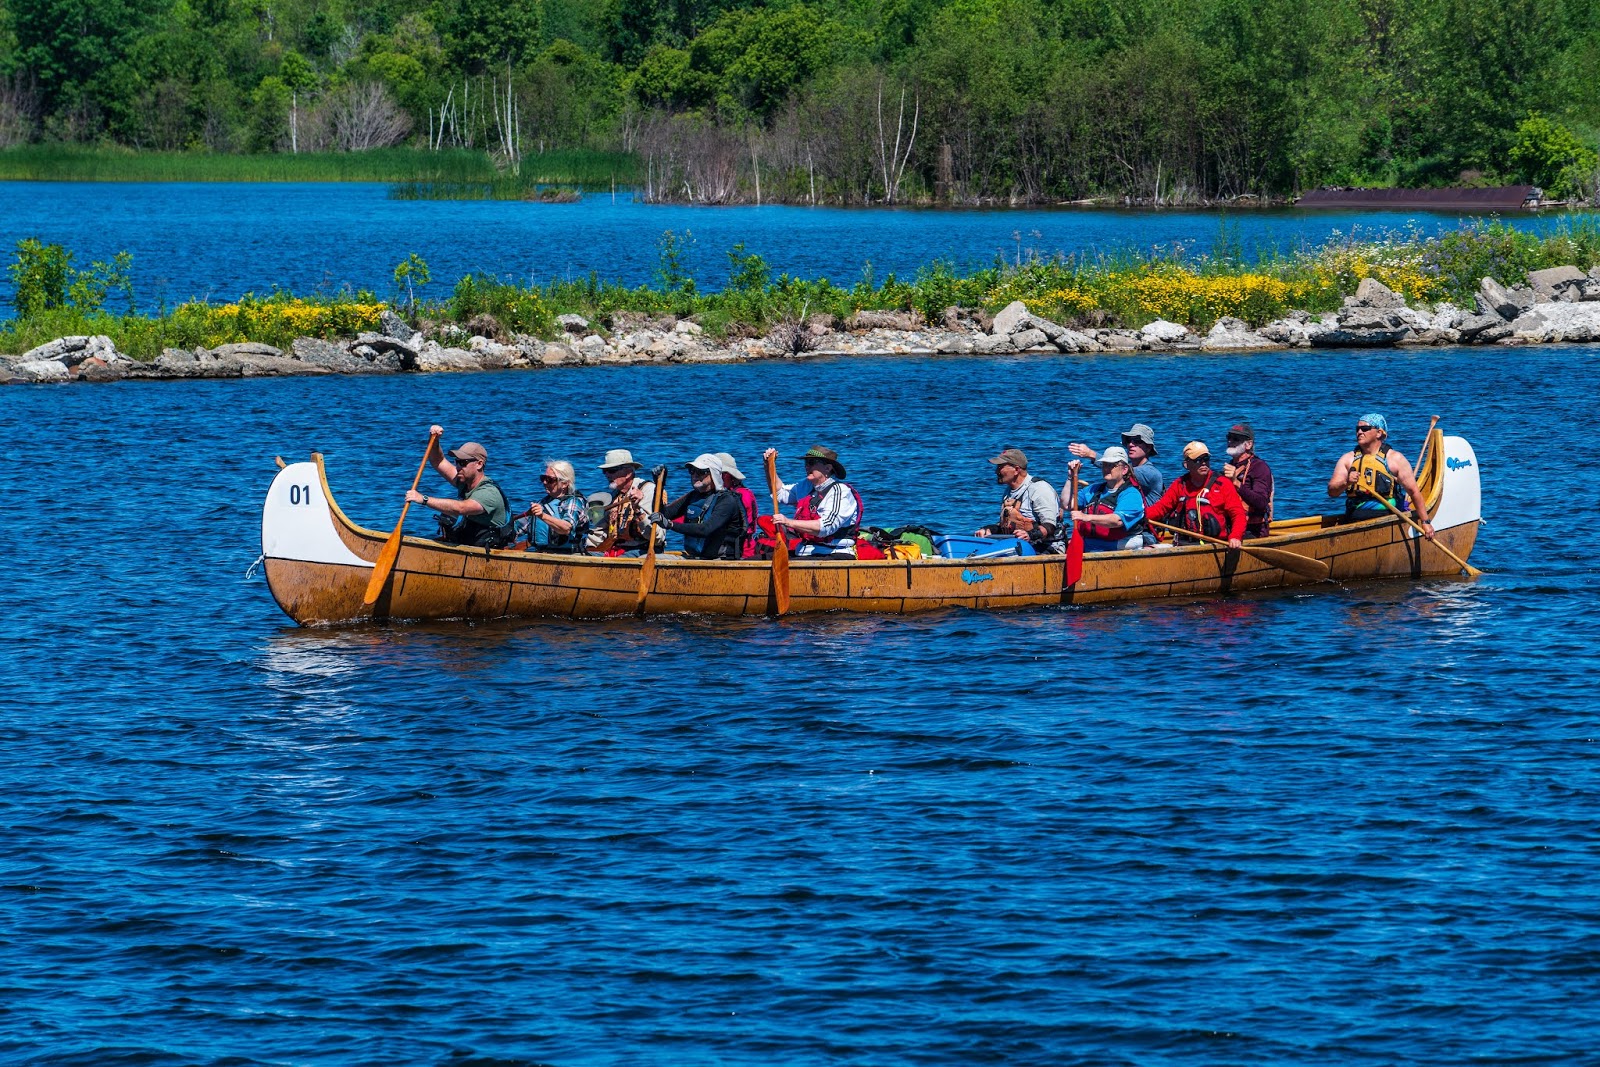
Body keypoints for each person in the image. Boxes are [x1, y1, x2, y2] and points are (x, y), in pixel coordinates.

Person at [1327, 413, 1434, 537]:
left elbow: (1414, 492)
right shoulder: (1347, 459)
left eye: (1365, 429)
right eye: (1358, 429)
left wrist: (1425, 522)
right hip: (1354, 518)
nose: (1360, 432)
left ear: (1379, 433)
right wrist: (1346, 482)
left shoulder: (1395, 459)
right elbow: (1332, 492)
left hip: (1387, 519)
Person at [406, 426, 509, 545]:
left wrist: (423, 499)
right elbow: (438, 461)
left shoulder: (489, 493)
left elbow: (461, 508)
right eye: (457, 462)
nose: (458, 467)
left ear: (479, 464)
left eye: (463, 462)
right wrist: (434, 440)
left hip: (489, 551)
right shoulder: (464, 481)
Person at [762, 445, 863, 557]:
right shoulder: (806, 486)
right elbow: (780, 493)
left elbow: (827, 526)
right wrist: (769, 466)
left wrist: (788, 522)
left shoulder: (841, 491)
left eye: (812, 462)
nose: (807, 466)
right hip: (805, 551)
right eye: (806, 463)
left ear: (827, 468)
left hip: (833, 553)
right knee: (760, 558)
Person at [1146, 441, 1247, 549]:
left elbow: (1238, 514)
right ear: (1186, 464)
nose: (1203, 463)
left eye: (1206, 459)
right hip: (1184, 545)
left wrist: (1235, 536)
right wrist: (1138, 516)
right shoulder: (1179, 485)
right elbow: (1160, 509)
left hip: (1216, 545)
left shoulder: (1222, 484)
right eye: (1198, 460)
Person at [651, 453, 746, 560]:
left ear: (714, 474)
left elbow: (706, 529)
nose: (695, 475)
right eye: (692, 470)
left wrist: (670, 525)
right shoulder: (693, 496)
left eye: (701, 472)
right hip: (696, 557)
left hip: (719, 561)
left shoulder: (726, 501)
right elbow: (663, 513)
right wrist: (659, 485)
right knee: (645, 557)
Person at [974, 447, 1064, 553]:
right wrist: (988, 529)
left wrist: (1030, 535)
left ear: (1016, 470)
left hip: (1048, 548)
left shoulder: (1039, 489)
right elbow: (1008, 526)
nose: (996, 471)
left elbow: (1049, 526)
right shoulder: (1008, 492)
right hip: (1020, 546)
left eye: (1000, 467)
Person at [1067, 446, 1149, 552]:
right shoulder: (1093, 489)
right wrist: (1070, 478)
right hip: (1094, 543)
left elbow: (1117, 521)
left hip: (1120, 544)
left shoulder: (1131, 494)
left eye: (1112, 465)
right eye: (1105, 465)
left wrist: (1086, 517)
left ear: (1124, 470)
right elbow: (1067, 505)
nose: (1106, 469)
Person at [1069, 422, 1164, 505]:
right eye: (1129, 440)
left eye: (1137, 441)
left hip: (1145, 523)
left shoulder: (1151, 473)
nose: (1131, 444)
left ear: (1148, 448)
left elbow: (1120, 470)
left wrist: (1091, 454)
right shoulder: (1123, 470)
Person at [590, 448, 661, 555]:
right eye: (605, 471)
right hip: (617, 549)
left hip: (643, 550)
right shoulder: (614, 496)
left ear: (628, 473)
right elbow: (600, 529)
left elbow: (656, 536)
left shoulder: (649, 491)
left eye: (612, 471)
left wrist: (638, 509)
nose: (607, 475)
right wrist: (584, 545)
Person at [1221, 422, 1274, 538]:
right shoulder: (1228, 468)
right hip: (1229, 526)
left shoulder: (1259, 468)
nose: (1230, 441)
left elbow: (1261, 502)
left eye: (1236, 439)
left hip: (1252, 531)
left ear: (1248, 444)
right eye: (1228, 437)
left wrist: (1236, 482)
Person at [528, 460, 589, 553]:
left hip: (568, 555)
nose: (544, 482)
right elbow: (521, 526)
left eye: (550, 479)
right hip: (541, 553)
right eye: (543, 478)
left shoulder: (574, 502)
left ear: (564, 483)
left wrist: (542, 516)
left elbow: (567, 528)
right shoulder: (542, 503)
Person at [715, 452, 761, 559]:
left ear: (725, 475)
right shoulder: (741, 492)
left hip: (740, 551)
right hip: (739, 547)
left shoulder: (739, 496)